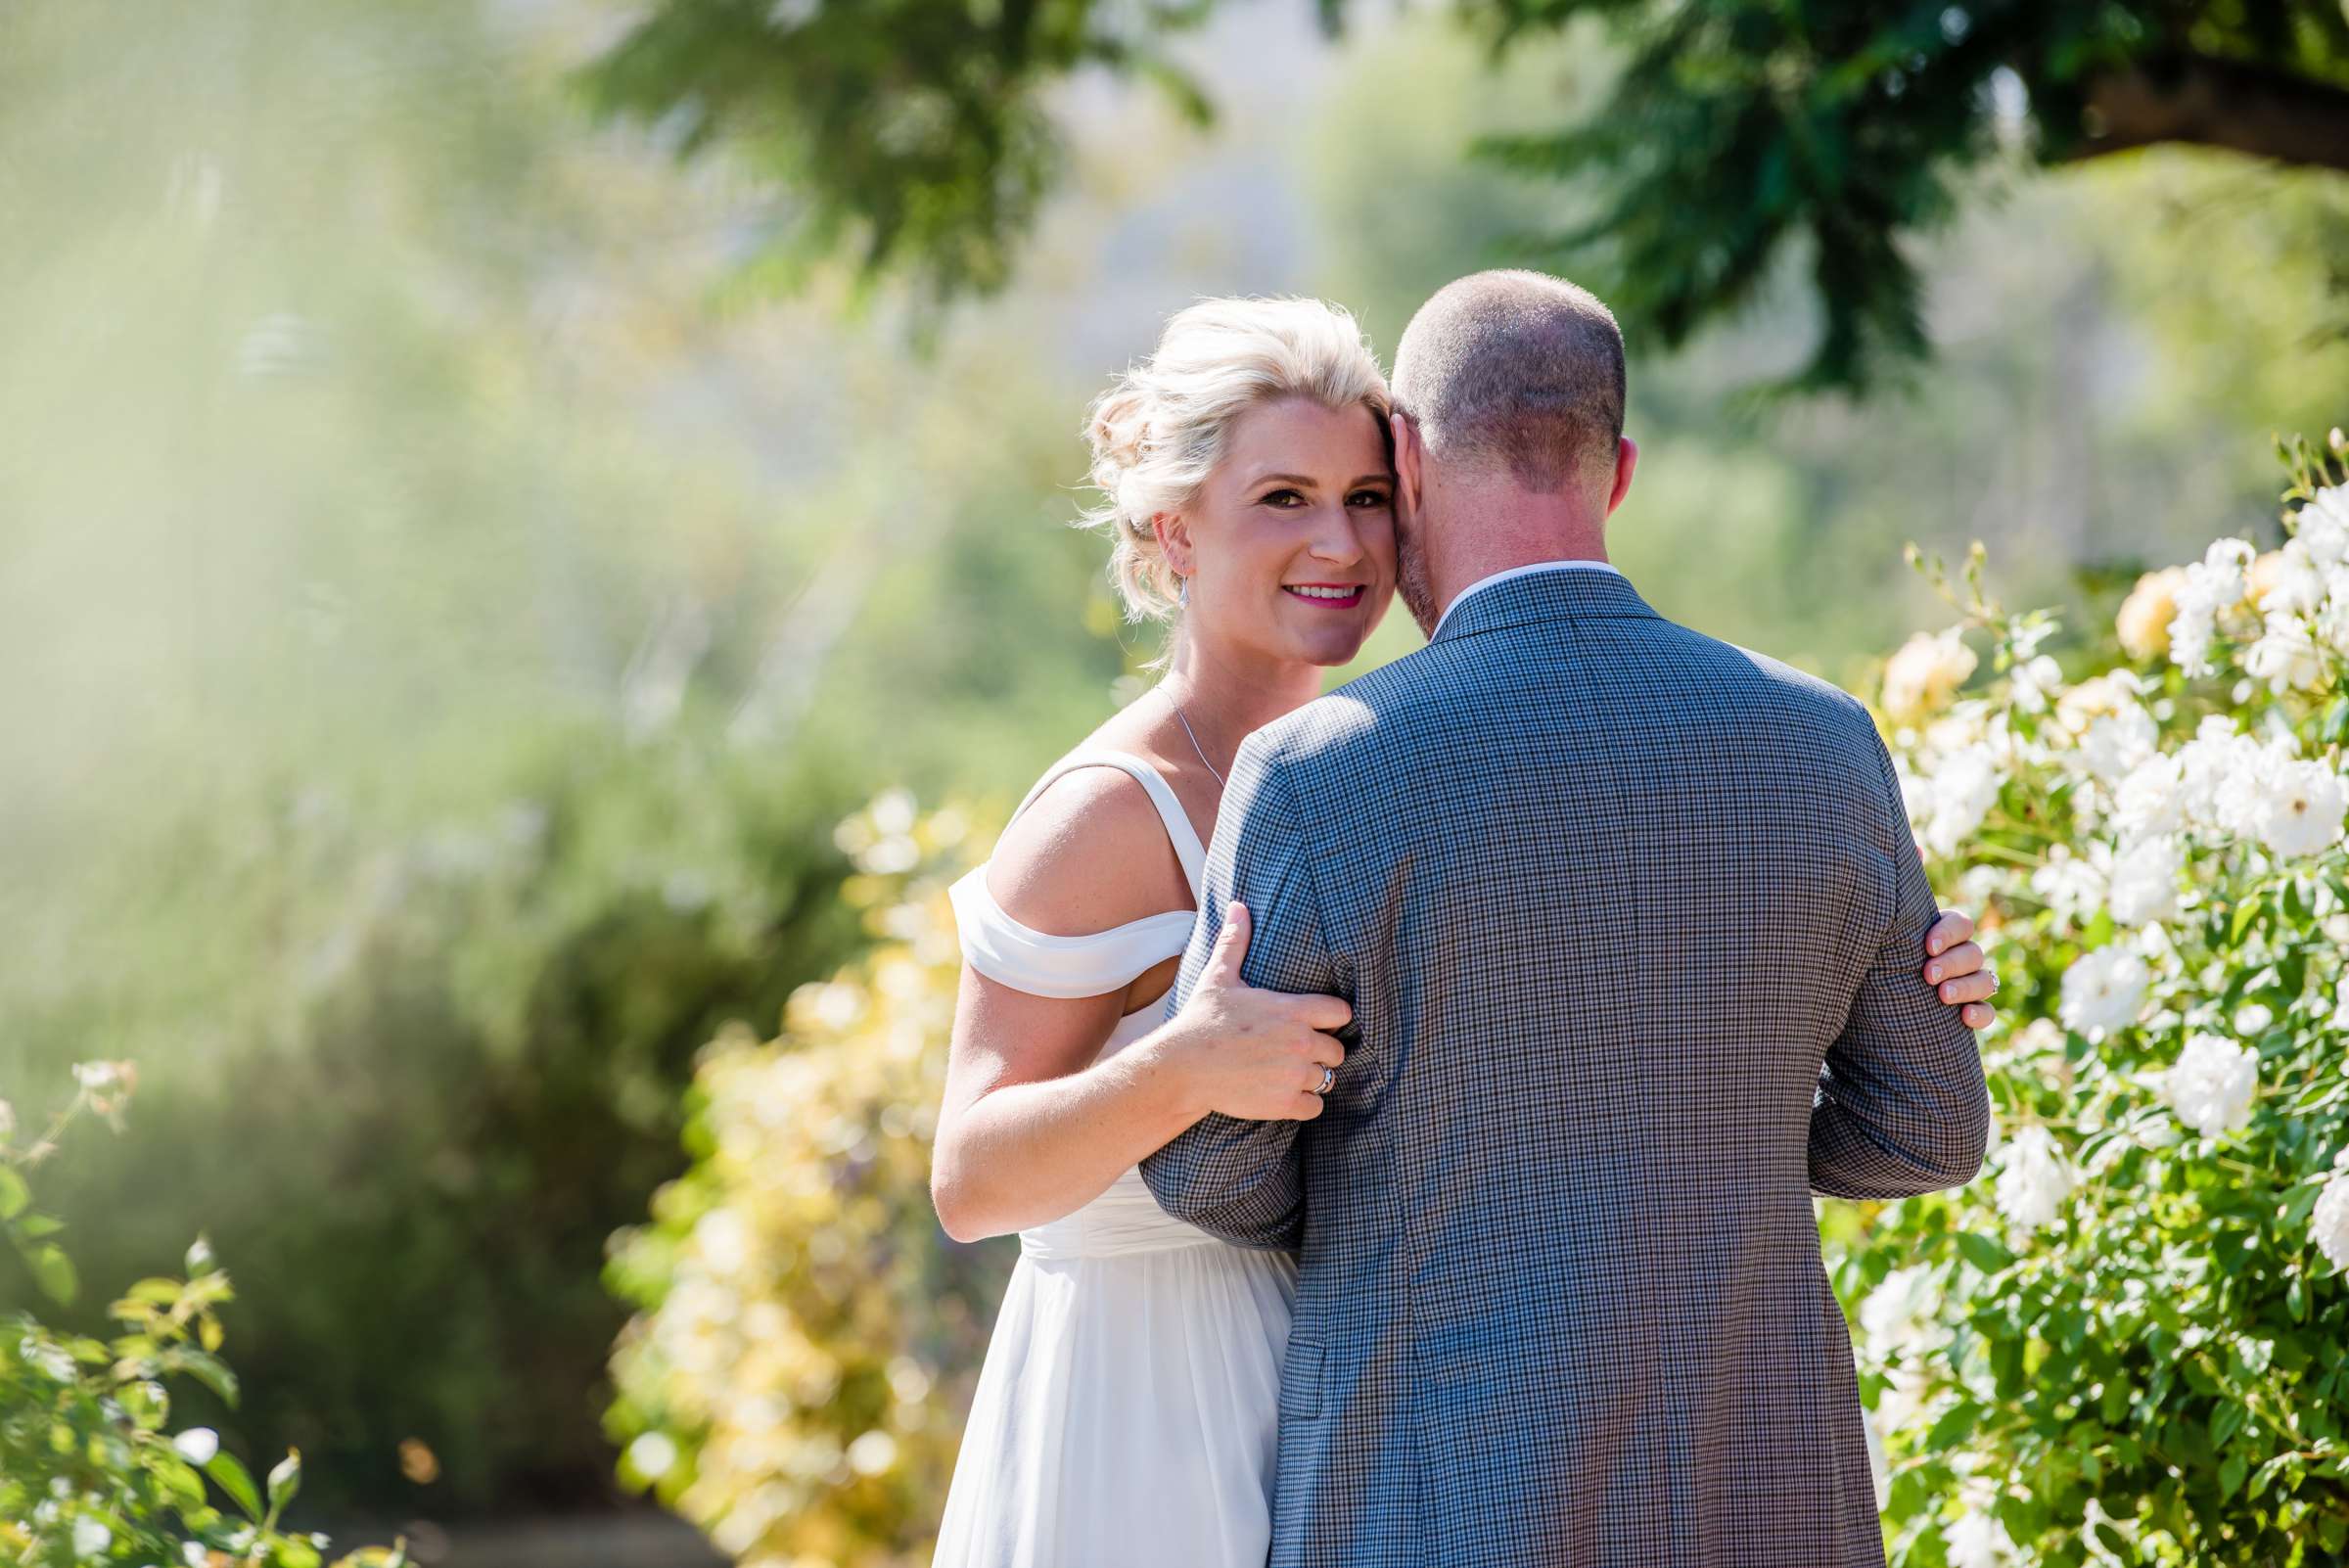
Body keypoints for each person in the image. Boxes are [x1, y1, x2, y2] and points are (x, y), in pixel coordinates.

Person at [932, 294, 1996, 1568]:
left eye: (1367, 495)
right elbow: (969, 1174)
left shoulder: (1332, 770)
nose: (1343, 539)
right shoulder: (1120, 807)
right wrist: (1182, 1065)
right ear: (1174, 529)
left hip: (1398, 1429)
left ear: (1415, 478)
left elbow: (1282, 1154)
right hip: (1157, 1415)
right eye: (1285, 499)